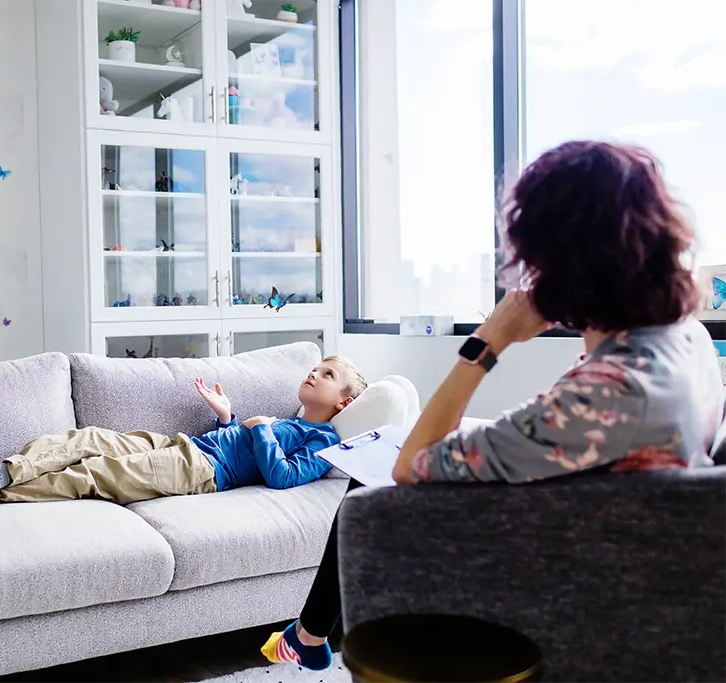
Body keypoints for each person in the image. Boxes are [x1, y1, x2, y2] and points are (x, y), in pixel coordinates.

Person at [262, 140, 726, 671]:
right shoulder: (683, 338)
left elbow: (411, 464)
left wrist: (488, 340)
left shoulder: (610, 392)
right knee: (368, 472)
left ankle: (309, 635)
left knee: (366, 495)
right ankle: (309, 634)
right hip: (605, 539)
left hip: (550, 575)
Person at [0, 355, 369, 507]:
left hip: (200, 472)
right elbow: (246, 445)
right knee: (85, 438)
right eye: (315, 367)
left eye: (327, 375)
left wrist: (261, 430)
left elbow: (280, 476)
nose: (314, 374)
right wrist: (227, 418)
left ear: (344, 403)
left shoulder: (325, 441)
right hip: (187, 446)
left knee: (97, 473)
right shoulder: (287, 419)